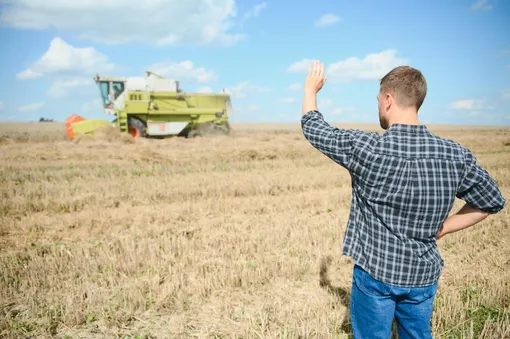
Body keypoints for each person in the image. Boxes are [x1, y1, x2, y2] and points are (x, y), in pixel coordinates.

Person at [300, 61, 505, 338]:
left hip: (375, 275)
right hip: (422, 276)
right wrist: (444, 227)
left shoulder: (367, 148)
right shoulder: (455, 156)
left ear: (388, 99)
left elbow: (315, 128)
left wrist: (310, 90)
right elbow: (491, 200)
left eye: (377, 100)